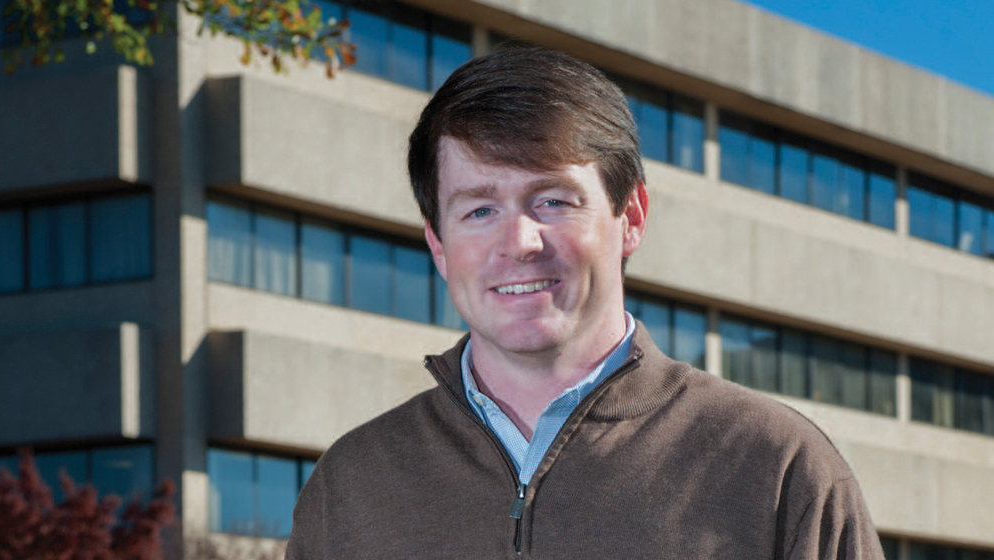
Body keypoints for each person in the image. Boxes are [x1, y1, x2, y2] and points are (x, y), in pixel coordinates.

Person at [286, 47, 884, 559]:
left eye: (554, 201)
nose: (520, 243)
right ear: (438, 244)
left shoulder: (776, 467)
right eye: (479, 210)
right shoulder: (349, 485)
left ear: (632, 218)